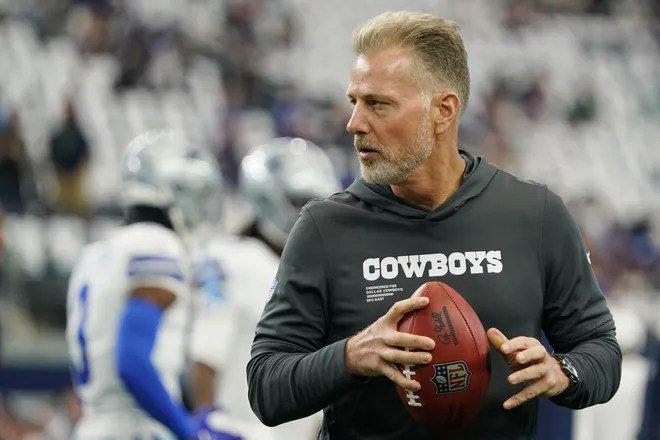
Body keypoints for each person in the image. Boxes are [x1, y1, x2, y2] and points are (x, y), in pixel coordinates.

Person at [246, 11, 622, 440]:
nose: (354, 123)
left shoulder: (535, 214)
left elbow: (602, 352)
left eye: (378, 104)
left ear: (444, 110)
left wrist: (563, 372)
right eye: (355, 101)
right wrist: (350, 355)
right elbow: (265, 387)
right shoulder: (323, 228)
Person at [65, 129, 245, 440]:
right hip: (136, 428)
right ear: (174, 193)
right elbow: (132, 360)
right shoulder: (156, 245)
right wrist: (187, 430)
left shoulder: (96, 254)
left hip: (94, 426)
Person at [188, 137, 343, 440]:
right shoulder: (234, 259)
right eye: (302, 202)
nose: (310, 215)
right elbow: (203, 360)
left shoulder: (312, 272)